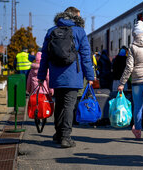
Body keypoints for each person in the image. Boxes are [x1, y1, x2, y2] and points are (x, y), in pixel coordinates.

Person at [38, 6, 94, 148]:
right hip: (73, 76)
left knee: (60, 105)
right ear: (75, 16)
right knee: (69, 106)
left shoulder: (51, 31)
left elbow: (44, 56)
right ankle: (66, 137)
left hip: (56, 76)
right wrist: (90, 76)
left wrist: (41, 76)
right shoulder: (80, 32)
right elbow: (86, 57)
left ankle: (58, 134)